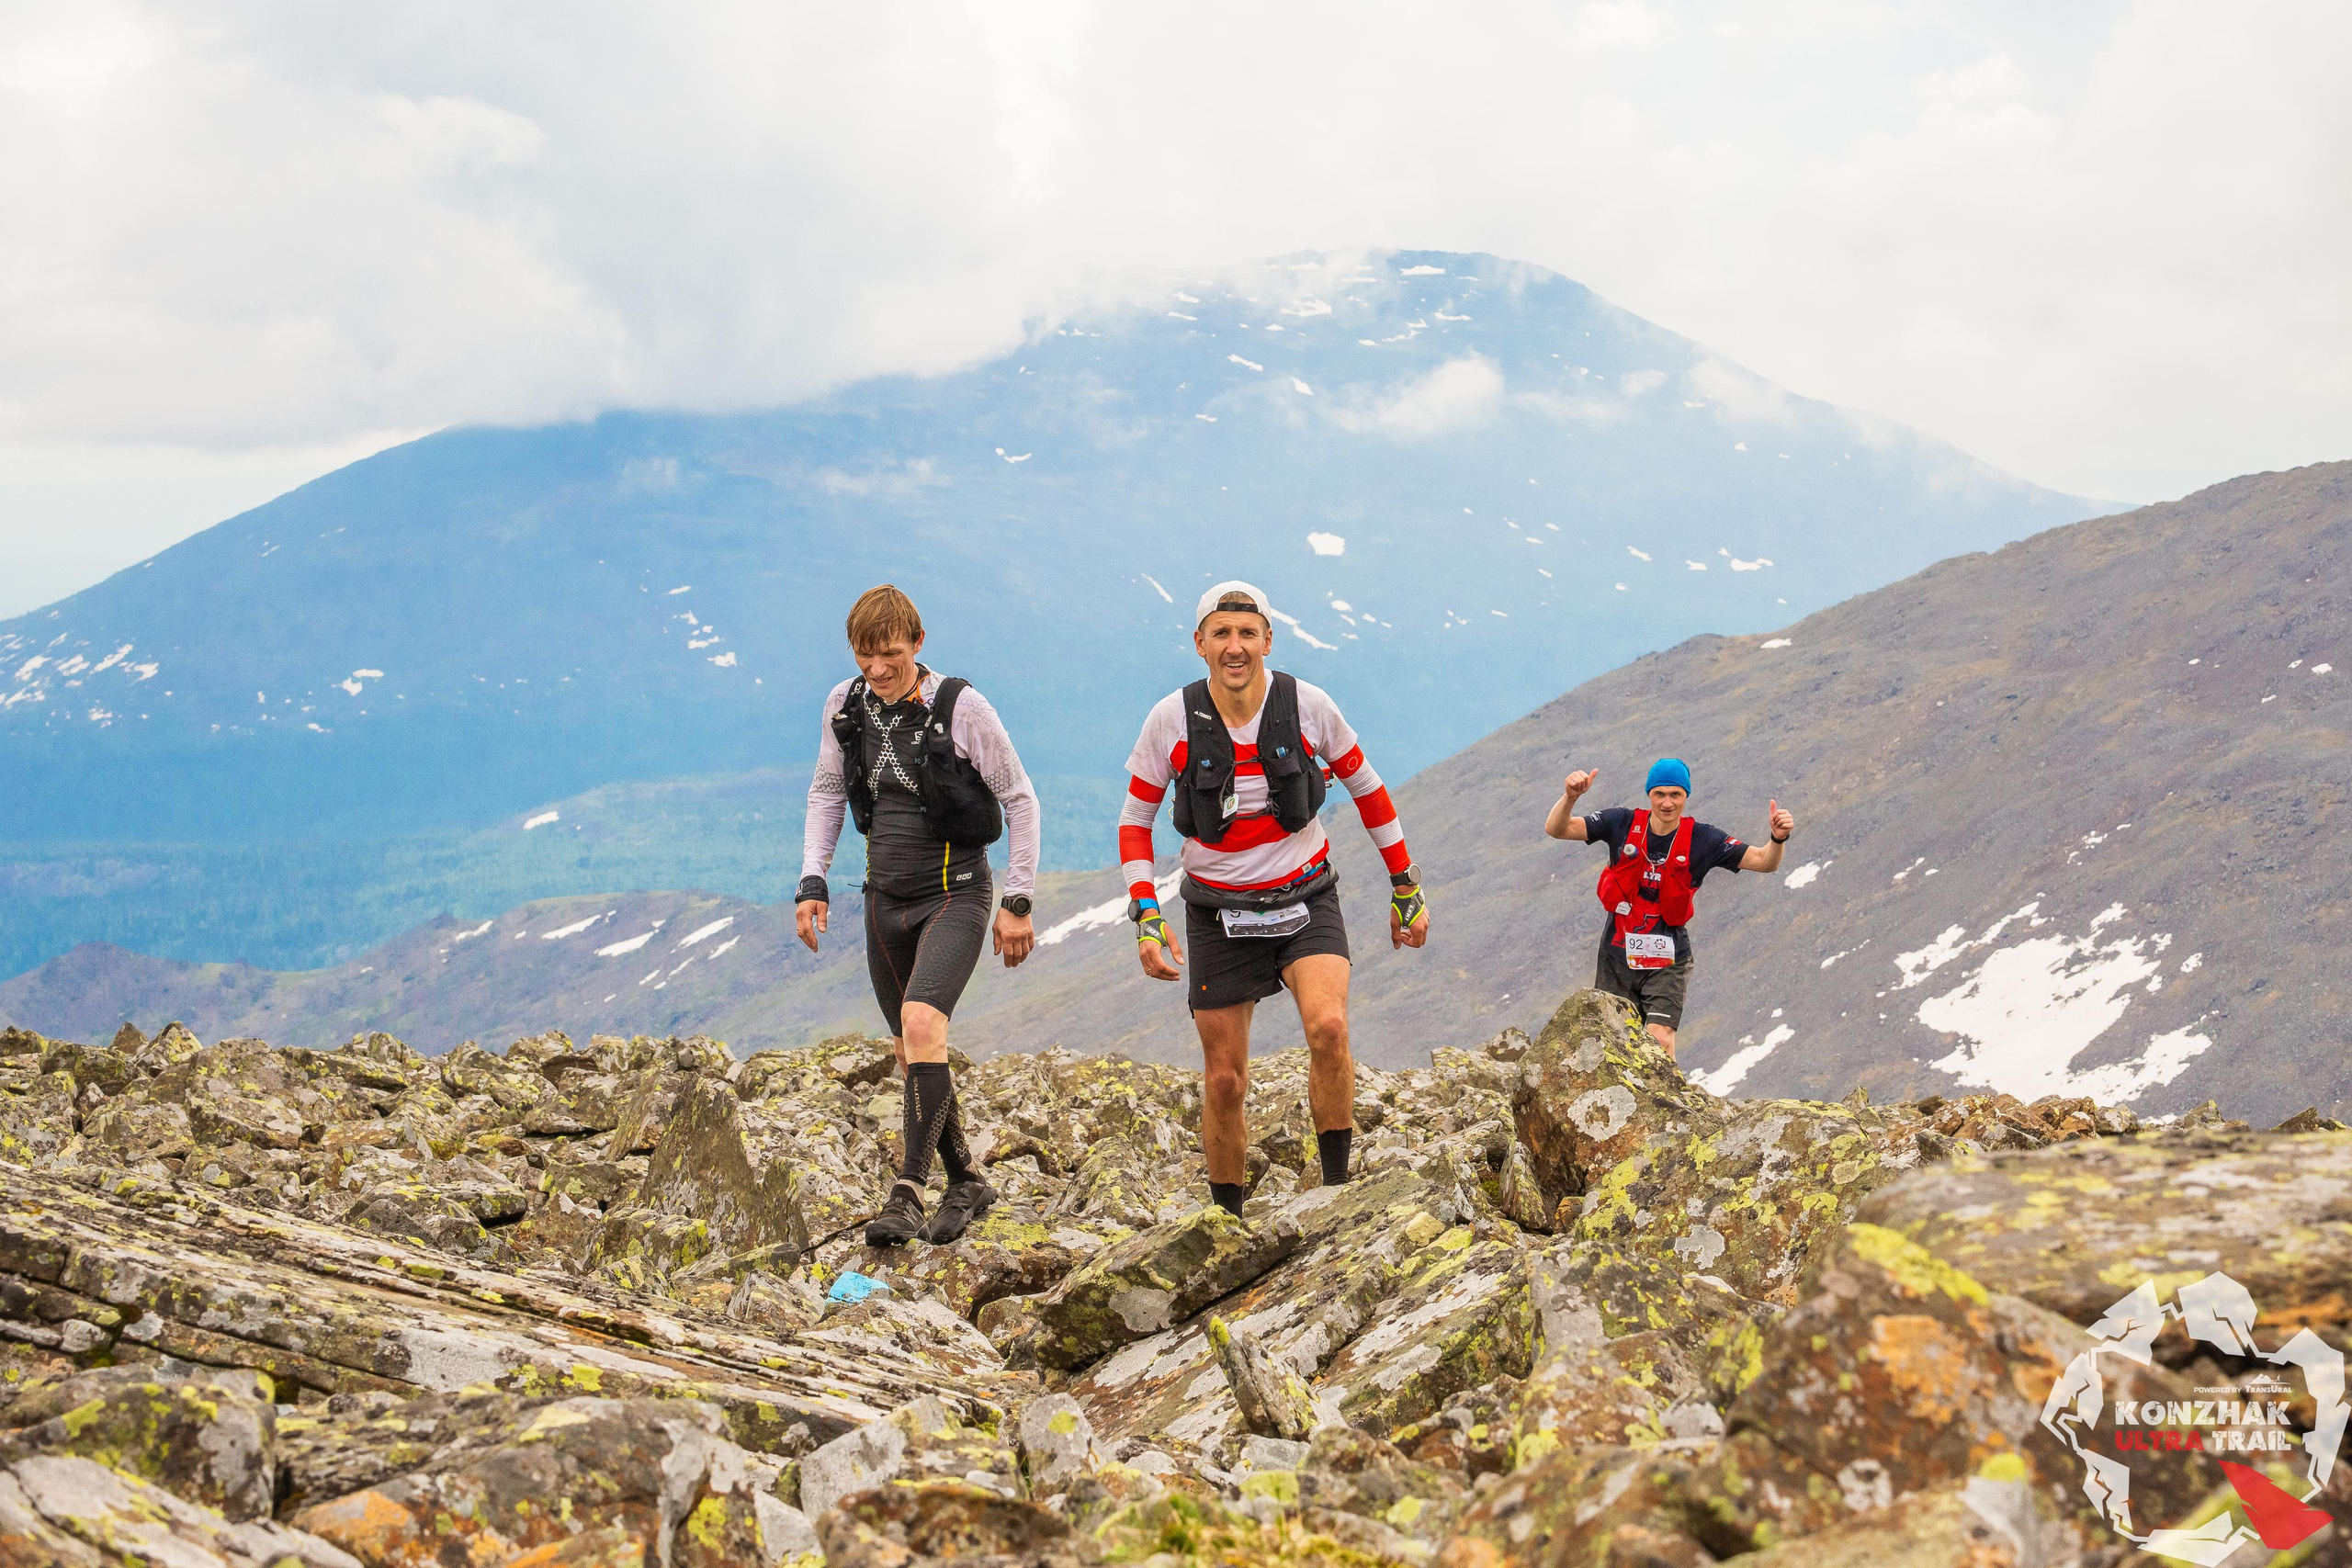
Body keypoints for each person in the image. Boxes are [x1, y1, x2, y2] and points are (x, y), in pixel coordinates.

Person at [1120, 581, 1429, 1218]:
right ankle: (1227, 1222)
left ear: (1268, 639)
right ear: (1200, 643)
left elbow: (1368, 788)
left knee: (1330, 1027)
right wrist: (1147, 914)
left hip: (1304, 895)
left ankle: (1338, 1192)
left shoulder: (1307, 705)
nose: (1236, 647)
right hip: (1216, 911)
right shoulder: (1170, 720)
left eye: (1247, 633)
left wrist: (1406, 885)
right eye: (1222, 634)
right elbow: (1135, 818)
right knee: (1226, 1079)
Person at [797, 585, 1041, 1247]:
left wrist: (1017, 899)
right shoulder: (844, 706)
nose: (877, 670)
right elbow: (826, 791)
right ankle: (966, 1177)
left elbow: (1020, 800)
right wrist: (812, 879)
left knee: (922, 1021)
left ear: (919, 644)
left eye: (892, 656)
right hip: (884, 899)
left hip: (956, 892)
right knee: (911, 1051)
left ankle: (906, 1192)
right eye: (865, 656)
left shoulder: (963, 708)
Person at [1543, 757, 1794, 1059]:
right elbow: (1557, 829)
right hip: (1617, 954)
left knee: (1660, 1040)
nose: (1667, 803)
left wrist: (1778, 838)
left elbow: (1763, 862)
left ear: (1686, 797)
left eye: (1675, 794)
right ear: (1649, 794)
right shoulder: (1620, 822)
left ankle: (1669, 1102)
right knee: (1615, 1042)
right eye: (1659, 794)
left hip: (1668, 958)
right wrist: (1570, 797)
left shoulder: (1704, 839)